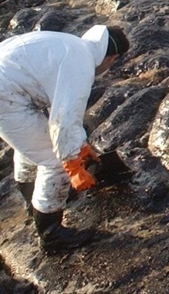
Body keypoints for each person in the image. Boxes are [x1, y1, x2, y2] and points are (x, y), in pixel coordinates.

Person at [0, 24, 129, 253]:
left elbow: (54, 109)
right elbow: (64, 120)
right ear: (112, 58)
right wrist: (72, 164)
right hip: (7, 98)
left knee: (32, 144)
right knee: (53, 160)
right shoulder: (81, 64)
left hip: (10, 91)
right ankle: (51, 235)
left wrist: (80, 148)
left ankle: (33, 202)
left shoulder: (68, 44)